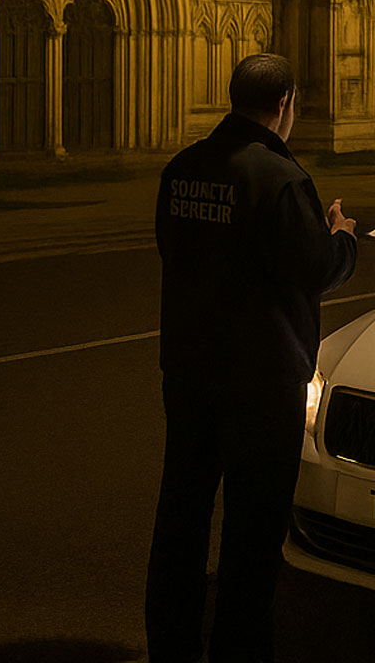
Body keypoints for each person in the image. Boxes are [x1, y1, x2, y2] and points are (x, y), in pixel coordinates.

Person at [146, 54, 357, 663]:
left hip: (187, 371)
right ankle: (238, 648)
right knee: (252, 531)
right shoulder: (280, 179)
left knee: (180, 516)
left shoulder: (182, 168)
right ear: (286, 102)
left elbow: (172, 249)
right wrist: (339, 234)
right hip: (262, 383)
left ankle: (171, 645)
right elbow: (316, 267)